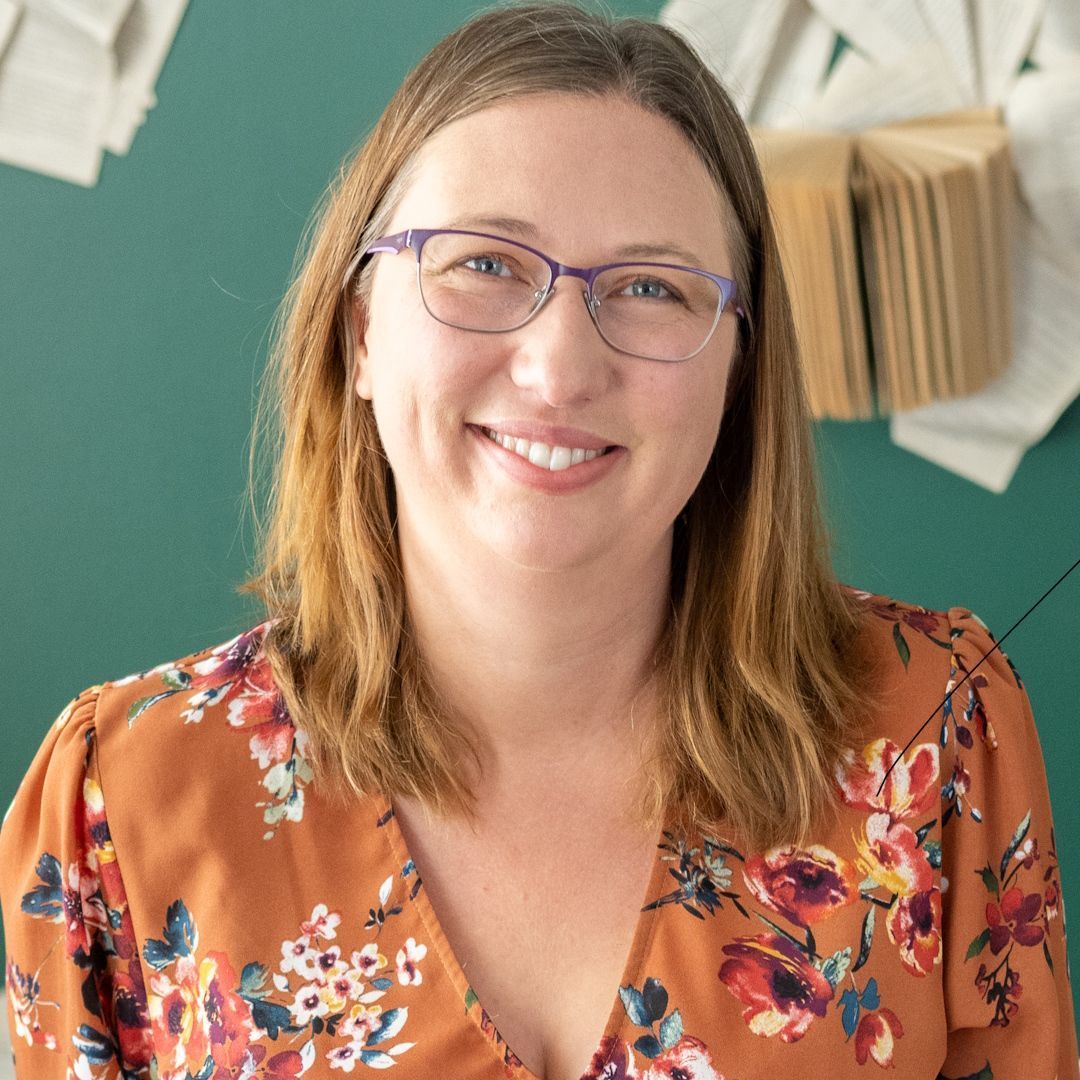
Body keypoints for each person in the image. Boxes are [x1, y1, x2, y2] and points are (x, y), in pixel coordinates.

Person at [2, 2, 1077, 1077]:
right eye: (483, 264)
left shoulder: (939, 729)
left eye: (653, 287)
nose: (560, 368)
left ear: (740, 372)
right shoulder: (118, 794)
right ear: (361, 331)